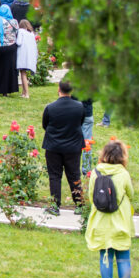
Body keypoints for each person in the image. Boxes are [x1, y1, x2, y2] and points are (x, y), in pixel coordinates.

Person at [85, 141, 136, 278]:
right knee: (123, 257)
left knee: (105, 256)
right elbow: (131, 194)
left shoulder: (96, 172)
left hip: (101, 221)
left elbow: (91, 196)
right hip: (120, 220)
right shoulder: (123, 173)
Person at [41, 80, 85, 215]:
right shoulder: (79, 107)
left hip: (53, 146)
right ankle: (80, 205)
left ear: (58, 89)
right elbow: (81, 122)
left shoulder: (50, 107)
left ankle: (55, 205)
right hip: (73, 146)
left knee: (54, 175)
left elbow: (45, 125)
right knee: (74, 174)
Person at [0, 4, 19, 96]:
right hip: (10, 47)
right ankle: (7, 90)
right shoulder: (14, 22)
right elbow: (17, 33)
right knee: (8, 69)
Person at [15, 19, 38, 98]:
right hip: (30, 56)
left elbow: (19, 42)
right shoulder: (31, 33)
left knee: (23, 74)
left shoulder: (21, 31)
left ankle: (26, 93)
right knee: (24, 74)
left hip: (22, 56)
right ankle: (23, 92)